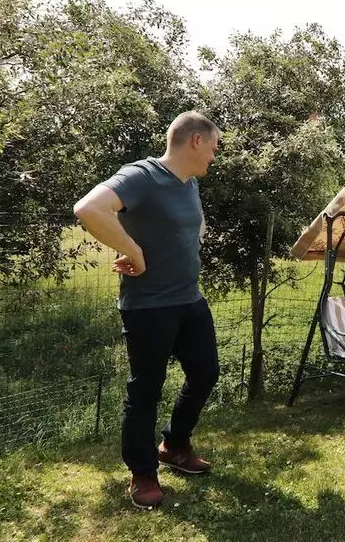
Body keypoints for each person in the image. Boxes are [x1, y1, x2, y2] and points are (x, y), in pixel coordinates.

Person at [73, 111, 221, 510]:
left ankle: (174, 445)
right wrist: (133, 250)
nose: (214, 155)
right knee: (146, 390)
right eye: (213, 146)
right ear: (196, 141)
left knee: (206, 372)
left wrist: (189, 240)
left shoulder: (189, 183)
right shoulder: (142, 175)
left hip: (189, 299)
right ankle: (142, 473)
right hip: (149, 306)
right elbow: (88, 208)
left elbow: (194, 224)